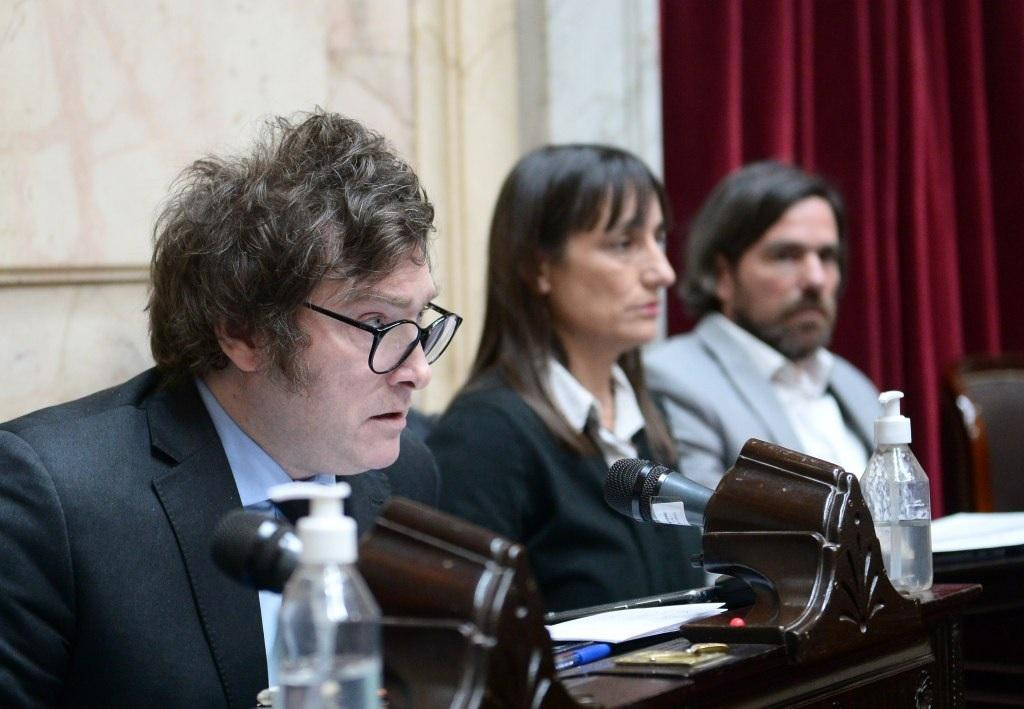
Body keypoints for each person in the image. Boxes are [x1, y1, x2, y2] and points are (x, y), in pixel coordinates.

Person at [0, 111, 461, 707]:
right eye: (377, 324)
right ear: (244, 334)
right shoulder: (52, 501)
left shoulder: (406, 479)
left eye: (419, 322)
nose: (418, 370)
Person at [427, 145, 704, 613]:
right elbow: (466, 643)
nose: (663, 272)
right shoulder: (485, 436)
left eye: (659, 239)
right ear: (538, 268)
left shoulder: (649, 414)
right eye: (623, 244)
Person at [645, 161, 879, 490]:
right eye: (786, 255)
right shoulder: (675, 378)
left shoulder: (853, 384)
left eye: (827, 257)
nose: (815, 279)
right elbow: (703, 530)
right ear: (723, 275)